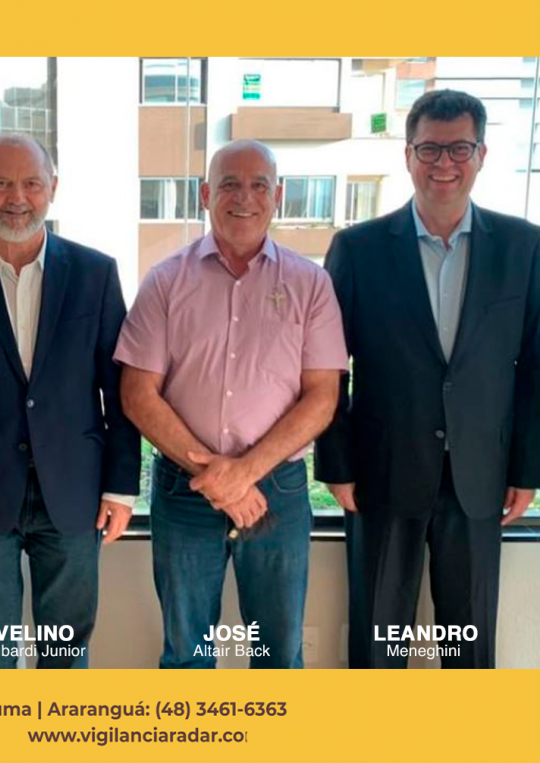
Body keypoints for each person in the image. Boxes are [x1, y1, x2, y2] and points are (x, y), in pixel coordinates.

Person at [315, 89, 540, 668]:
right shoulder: (357, 249)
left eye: (459, 148)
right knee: (379, 640)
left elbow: (535, 368)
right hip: (382, 472)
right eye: (430, 149)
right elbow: (328, 366)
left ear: (482, 154)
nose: (445, 163)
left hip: (480, 476)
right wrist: (336, 464)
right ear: (408, 155)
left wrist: (526, 470)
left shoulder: (525, 246)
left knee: (469, 644)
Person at [0, 135, 140, 668]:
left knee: (65, 656)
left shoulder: (96, 275)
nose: (17, 197)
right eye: (2, 183)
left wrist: (121, 487)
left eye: (31, 183)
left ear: (53, 188)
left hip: (75, 495)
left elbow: (120, 393)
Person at [115, 139, 347, 668]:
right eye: (229, 185)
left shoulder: (311, 284)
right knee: (186, 657)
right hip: (183, 491)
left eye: (259, 185)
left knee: (278, 657)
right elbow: (136, 394)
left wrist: (244, 473)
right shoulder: (165, 281)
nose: (245, 197)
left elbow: (322, 397)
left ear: (278, 197)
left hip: (278, 491)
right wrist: (219, 477)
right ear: (205, 195)